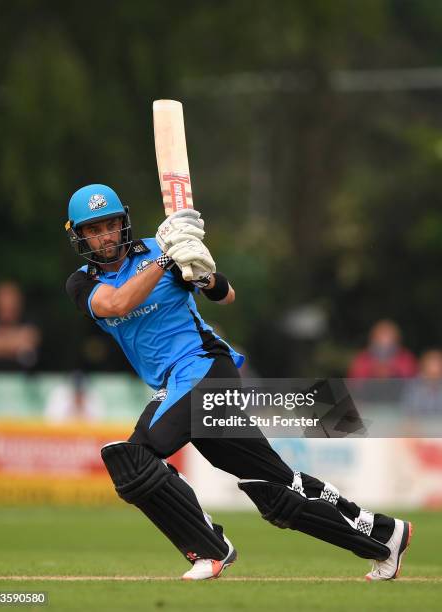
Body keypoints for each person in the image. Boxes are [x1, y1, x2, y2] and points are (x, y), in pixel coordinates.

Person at [65, 183, 412, 581]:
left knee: (133, 457)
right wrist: (167, 256)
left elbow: (225, 294)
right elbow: (117, 303)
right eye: (95, 229)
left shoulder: (163, 248)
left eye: (111, 224)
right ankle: (386, 535)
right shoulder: (84, 282)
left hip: (206, 369)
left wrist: (201, 271)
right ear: (80, 235)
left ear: (123, 223)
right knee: (274, 490)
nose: (106, 236)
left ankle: (210, 548)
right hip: (179, 384)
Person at [0, 282, 41, 371]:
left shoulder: (30, 323)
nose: (6, 314)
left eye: (11, 307)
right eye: (2, 307)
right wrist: (13, 343)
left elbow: (30, 342)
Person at [348, 319, 417, 379]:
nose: (385, 340)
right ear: (373, 337)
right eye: (381, 334)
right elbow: (354, 383)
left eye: (388, 335)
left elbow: (410, 381)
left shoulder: (406, 358)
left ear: (397, 338)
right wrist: (373, 372)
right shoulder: (362, 358)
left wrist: (393, 373)